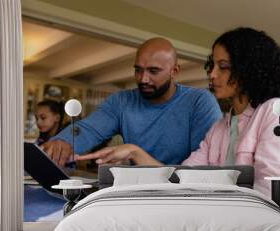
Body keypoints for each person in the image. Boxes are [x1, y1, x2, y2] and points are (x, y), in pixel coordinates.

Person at [77, 27, 280, 221]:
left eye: (223, 67)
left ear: (249, 68)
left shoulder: (275, 112)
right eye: (213, 65)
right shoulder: (219, 129)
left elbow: (270, 194)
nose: (211, 75)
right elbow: (181, 178)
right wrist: (135, 152)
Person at [41, 37, 222, 167]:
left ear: (174, 71)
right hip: (134, 195)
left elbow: (203, 171)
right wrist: (63, 141)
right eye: (138, 70)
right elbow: (88, 128)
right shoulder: (121, 102)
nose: (143, 79)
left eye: (153, 71)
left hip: (183, 199)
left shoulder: (200, 102)